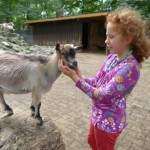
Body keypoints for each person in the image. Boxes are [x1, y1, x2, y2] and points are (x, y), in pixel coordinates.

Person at [58, 7, 150, 150]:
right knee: (91, 141)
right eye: (106, 35)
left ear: (128, 39)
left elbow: (102, 96)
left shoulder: (130, 68)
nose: (106, 41)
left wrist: (74, 78)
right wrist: (80, 74)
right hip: (98, 115)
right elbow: (97, 81)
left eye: (111, 37)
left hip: (109, 122)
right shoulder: (112, 57)